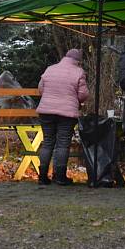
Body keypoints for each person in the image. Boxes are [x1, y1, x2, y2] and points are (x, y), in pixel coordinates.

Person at [35, 48, 89, 186]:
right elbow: (83, 94)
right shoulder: (78, 72)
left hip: (46, 111)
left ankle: (42, 176)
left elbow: (41, 88)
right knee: (63, 143)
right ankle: (59, 177)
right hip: (66, 113)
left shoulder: (50, 69)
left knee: (48, 142)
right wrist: (76, 99)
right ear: (77, 61)